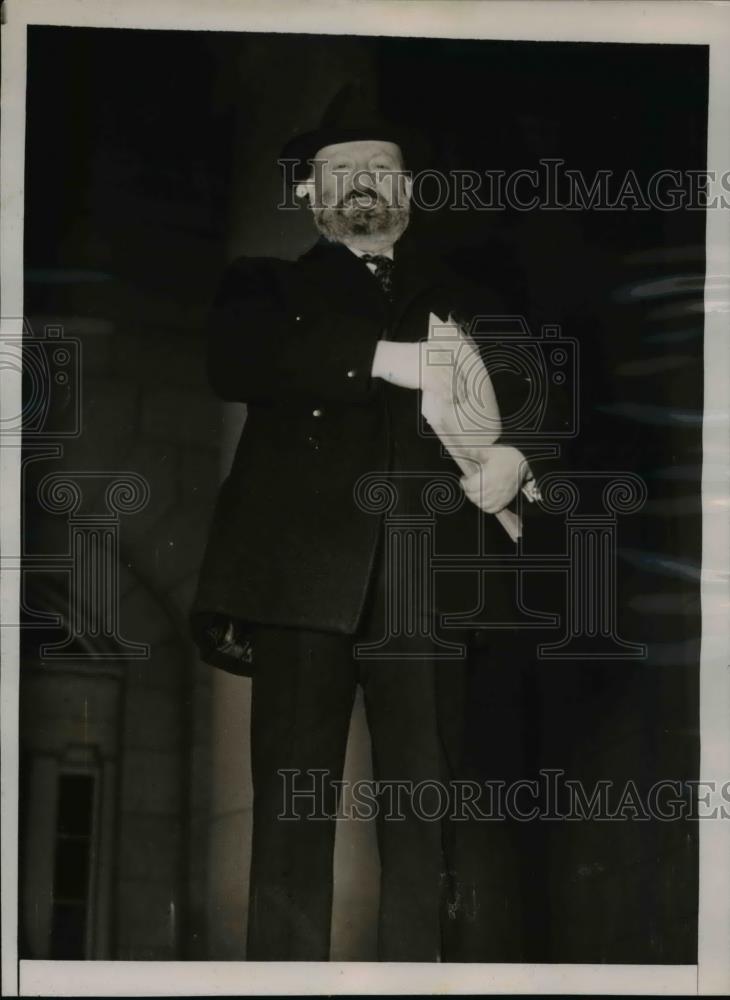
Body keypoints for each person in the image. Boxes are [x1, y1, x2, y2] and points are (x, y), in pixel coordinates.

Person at [190, 90, 542, 961]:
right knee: (291, 809)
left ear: (408, 190)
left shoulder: (472, 298)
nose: (360, 183)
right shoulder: (263, 285)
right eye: (340, 169)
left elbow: (538, 393)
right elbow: (236, 359)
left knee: (427, 807)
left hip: (426, 583)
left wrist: (519, 455)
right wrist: (384, 360)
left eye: (379, 169)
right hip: (300, 579)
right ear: (310, 193)